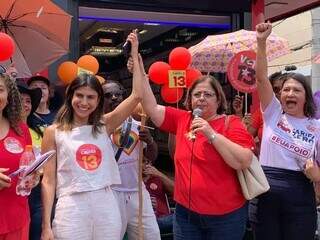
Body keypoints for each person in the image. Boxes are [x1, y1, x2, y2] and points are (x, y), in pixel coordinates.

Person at [132, 36, 255, 240]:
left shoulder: (230, 123)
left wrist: (210, 133)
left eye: (208, 95)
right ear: (189, 99)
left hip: (226, 217)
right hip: (186, 215)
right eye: (197, 94)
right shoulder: (182, 119)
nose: (201, 98)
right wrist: (139, 69)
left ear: (218, 100)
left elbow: (243, 160)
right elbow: (151, 107)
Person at [254, 22, 320, 240]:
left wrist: (317, 176)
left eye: (296, 90)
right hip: (266, 195)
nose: (290, 93)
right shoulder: (273, 113)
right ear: (280, 95)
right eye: (286, 89)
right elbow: (262, 78)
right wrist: (261, 42)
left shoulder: (317, 127)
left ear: (306, 97)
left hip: (301, 197)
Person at [103, 77, 160, 238]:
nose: (114, 98)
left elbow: (151, 158)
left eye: (118, 94)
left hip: (137, 192)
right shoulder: (97, 127)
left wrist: (150, 141)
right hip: (110, 193)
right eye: (108, 95)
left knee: (150, 236)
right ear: (100, 100)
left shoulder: (138, 123)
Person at [0, 73, 33, 239]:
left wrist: (34, 178)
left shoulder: (21, 129)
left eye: (0, 90)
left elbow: (31, 167)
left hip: (17, 219)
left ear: (8, 95)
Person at [26, 74, 56, 240]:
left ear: (49, 92)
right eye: (34, 88)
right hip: (31, 181)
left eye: (43, 87)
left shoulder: (59, 118)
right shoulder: (24, 119)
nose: (39, 91)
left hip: (52, 179)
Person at [143, 159, 174, 235]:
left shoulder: (157, 179)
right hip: (149, 220)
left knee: (183, 215)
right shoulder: (132, 183)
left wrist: (159, 174)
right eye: (142, 162)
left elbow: (176, 191)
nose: (146, 165)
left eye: (147, 162)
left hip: (165, 218)